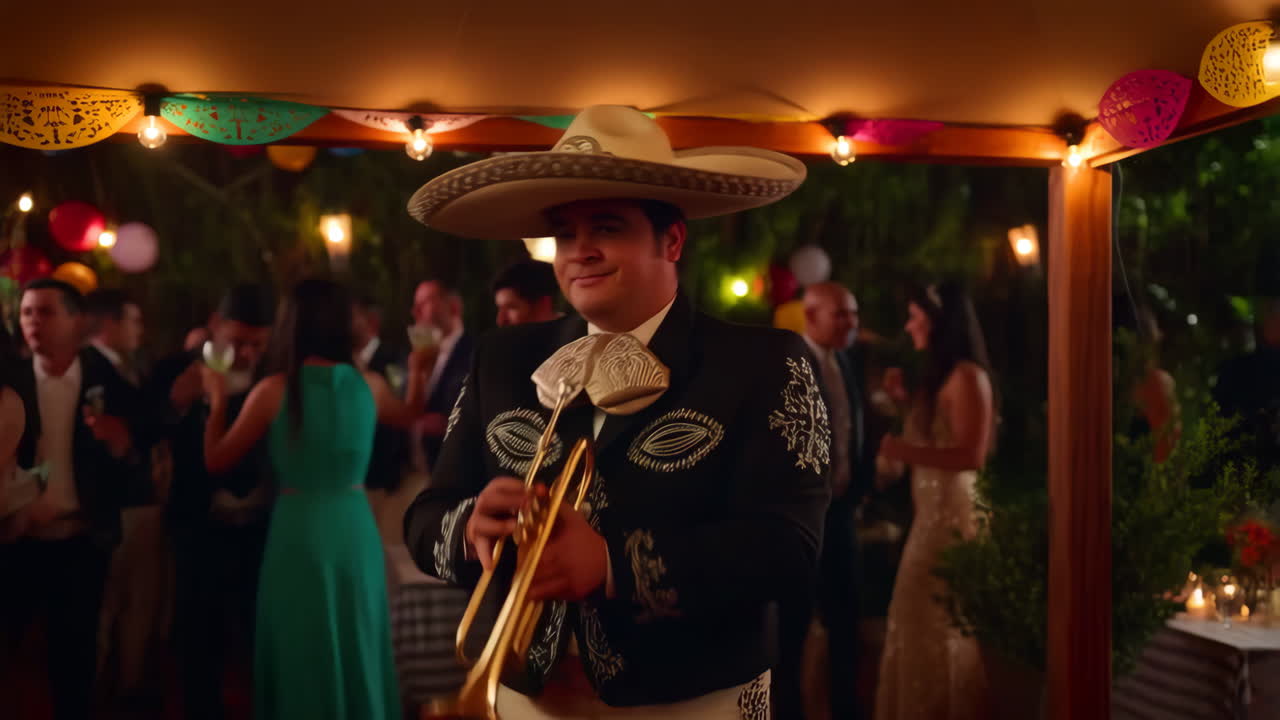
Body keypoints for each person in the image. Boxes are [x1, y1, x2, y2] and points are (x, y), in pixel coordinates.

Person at [403, 104, 821, 719]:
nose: (581, 252)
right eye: (566, 234)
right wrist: (469, 528)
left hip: (692, 702)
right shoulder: (502, 356)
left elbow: (789, 549)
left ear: (672, 238)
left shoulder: (762, 361)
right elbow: (425, 516)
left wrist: (610, 564)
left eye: (607, 227)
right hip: (522, 700)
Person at [202, 278, 433, 720]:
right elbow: (411, 414)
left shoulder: (273, 390)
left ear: (291, 325)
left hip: (299, 527)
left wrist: (215, 400)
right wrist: (420, 370)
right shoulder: (369, 385)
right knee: (356, 636)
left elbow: (216, 459)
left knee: (302, 642)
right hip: (354, 526)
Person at [1, 278, 142, 720]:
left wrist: (123, 448)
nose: (33, 323)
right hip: (15, 540)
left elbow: (136, 464)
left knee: (75, 661)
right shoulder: (10, 382)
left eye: (46, 312)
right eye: (26, 313)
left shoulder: (110, 383)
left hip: (82, 539)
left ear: (78, 321)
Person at [142, 282, 276, 720]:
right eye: (238, 341)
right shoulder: (174, 369)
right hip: (197, 524)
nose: (246, 353)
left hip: (260, 526)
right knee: (197, 631)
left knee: (257, 630)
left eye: (257, 344)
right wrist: (177, 405)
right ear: (216, 326)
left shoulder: (275, 377)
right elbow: (143, 431)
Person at [873, 283, 994, 720]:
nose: (908, 326)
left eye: (915, 317)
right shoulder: (941, 375)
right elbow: (939, 433)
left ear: (938, 321)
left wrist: (900, 449)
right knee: (914, 621)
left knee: (936, 622)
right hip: (929, 516)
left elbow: (971, 454)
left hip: (951, 519)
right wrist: (905, 405)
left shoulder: (968, 376)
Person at [774, 281, 867, 720]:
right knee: (793, 628)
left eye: (853, 313)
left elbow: (851, 431)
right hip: (799, 521)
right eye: (842, 314)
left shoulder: (848, 361)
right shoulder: (787, 366)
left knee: (846, 621)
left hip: (842, 513)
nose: (852, 323)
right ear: (811, 317)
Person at [409, 280, 473, 471]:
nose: (416, 312)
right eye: (415, 305)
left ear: (453, 307)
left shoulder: (474, 352)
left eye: (425, 302)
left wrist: (448, 425)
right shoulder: (419, 356)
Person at [84, 288, 145, 387]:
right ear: (110, 322)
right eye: (135, 322)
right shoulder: (90, 367)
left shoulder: (121, 365)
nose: (140, 331)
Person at [492, 258, 561, 327]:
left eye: (511, 307)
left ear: (543, 304)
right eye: (500, 308)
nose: (500, 320)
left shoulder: (568, 335)